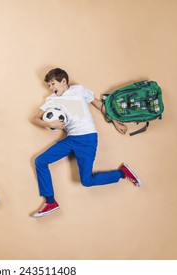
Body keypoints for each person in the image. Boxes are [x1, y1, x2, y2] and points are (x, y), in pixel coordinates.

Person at [31, 68, 140, 218]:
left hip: (87, 139)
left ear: (63, 81)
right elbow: (34, 119)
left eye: (53, 84)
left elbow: (99, 105)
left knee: (86, 181)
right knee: (40, 161)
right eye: (49, 85)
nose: (51, 88)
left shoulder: (79, 90)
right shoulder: (52, 100)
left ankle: (122, 173)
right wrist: (53, 125)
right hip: (71, 139)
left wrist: (116, 122)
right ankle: (50, 202)